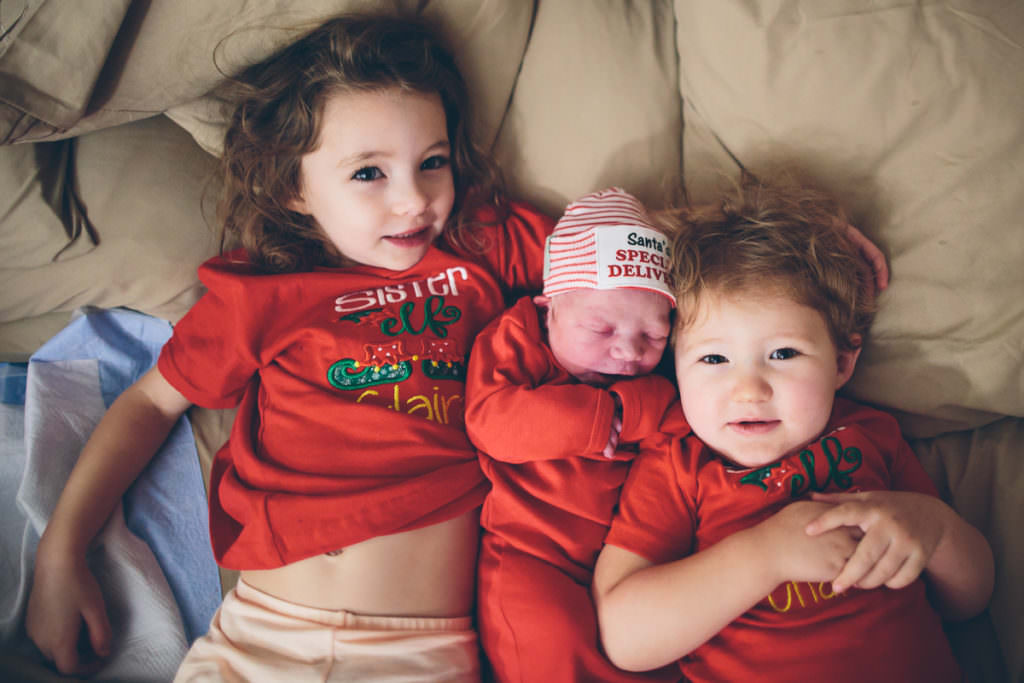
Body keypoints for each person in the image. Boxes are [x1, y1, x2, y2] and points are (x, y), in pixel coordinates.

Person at [25, 14, 557, 682]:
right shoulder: (263, 294)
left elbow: (605, 264)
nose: (414, 199)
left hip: (418, 655)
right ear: (293, 188)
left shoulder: (482, 244)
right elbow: (151, 404)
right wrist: (61, 550)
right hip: (257, 641)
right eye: (369, 173)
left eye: (433, 162)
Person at [591, 178, 995, 683]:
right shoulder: (678, 467)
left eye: (783, 354)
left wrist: (933, 531)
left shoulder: (870, 436)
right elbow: (626, 639)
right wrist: (765, 556)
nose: (749, 389)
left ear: (843, 362)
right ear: (675, 368)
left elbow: (972, 599)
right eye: (713, 358)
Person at [464, 187, 683, 683]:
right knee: (548, 642)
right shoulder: (516, 339)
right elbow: (489, 421)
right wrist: (595, 416)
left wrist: (630, 406)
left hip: (626, 559)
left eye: (653, 335)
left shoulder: (649, 382)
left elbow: (677, 415)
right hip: (529, 552)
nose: (628, 353)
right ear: (549, 309)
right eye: (601, 330)